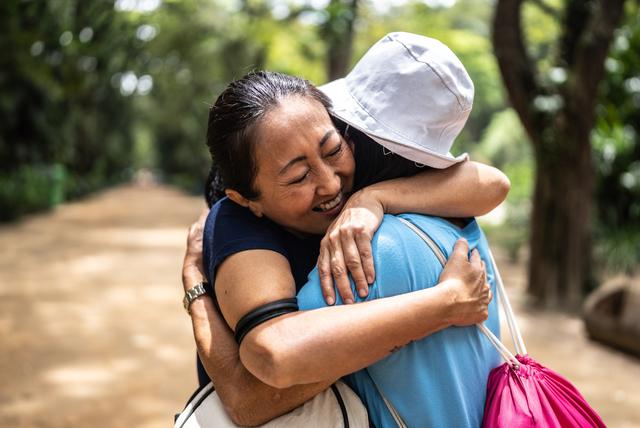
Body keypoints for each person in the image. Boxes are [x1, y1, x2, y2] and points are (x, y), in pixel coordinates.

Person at [182, 32, 509, 426]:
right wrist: (446, 303)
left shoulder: (375, 212)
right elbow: (253, 388)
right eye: (299, 176)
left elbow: (493, 184)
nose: (331, 184)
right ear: (245, 198)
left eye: (333, 149)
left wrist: (374, 199)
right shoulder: (237, 224)